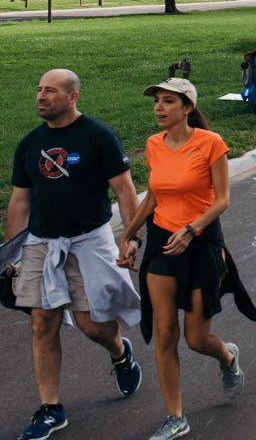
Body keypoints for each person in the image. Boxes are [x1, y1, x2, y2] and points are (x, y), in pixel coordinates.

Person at [118, 78, 256, 440]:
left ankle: (228, 358)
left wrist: (192, 230)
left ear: (187, 108)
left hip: (201, 242)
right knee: (165, 333)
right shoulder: (153, 144)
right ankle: (175, 416)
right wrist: (130, 234)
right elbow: (152, 196)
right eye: (156, 102)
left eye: (167, 102)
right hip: (164, 242)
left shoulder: (210, 144)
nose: (159, 108)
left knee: (196, 338)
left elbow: (222, 200)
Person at [7, 70, 143, 440]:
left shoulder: (98, 136)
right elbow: (20, 199)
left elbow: (125, 190)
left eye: (49, 91)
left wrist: (130, 237)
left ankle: (119, 352)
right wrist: (9, 253)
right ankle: (51, 409)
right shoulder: (30, 143)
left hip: (88, 239)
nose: (40, 96)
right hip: (41, 243)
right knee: (42, 322)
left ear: (72, 97)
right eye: (38, 90)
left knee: (91, 324)